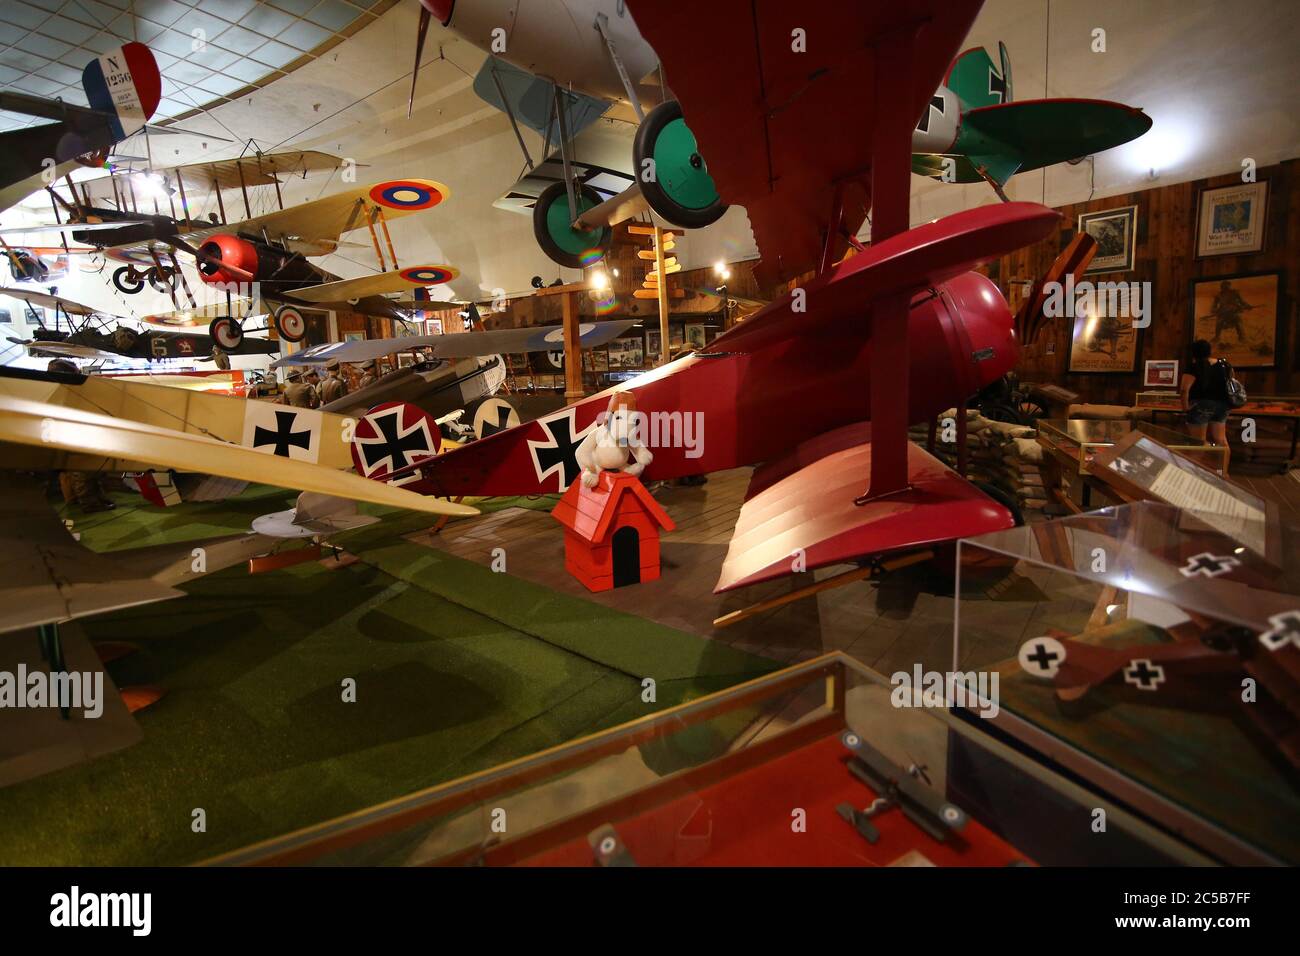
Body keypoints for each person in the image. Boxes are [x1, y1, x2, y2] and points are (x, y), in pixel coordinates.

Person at [1180, 339, 1231, 470]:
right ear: (1210, 351)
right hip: (1222, 405)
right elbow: (1230, 385)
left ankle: (1193, 473)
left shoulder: (1194, 366)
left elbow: (1184, 389)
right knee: (1221, 440)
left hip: (1201, 405)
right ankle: (1223, 472)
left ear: (1194, 353)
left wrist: (1185, 407)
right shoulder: (1224, 365)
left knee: (1199, 443)